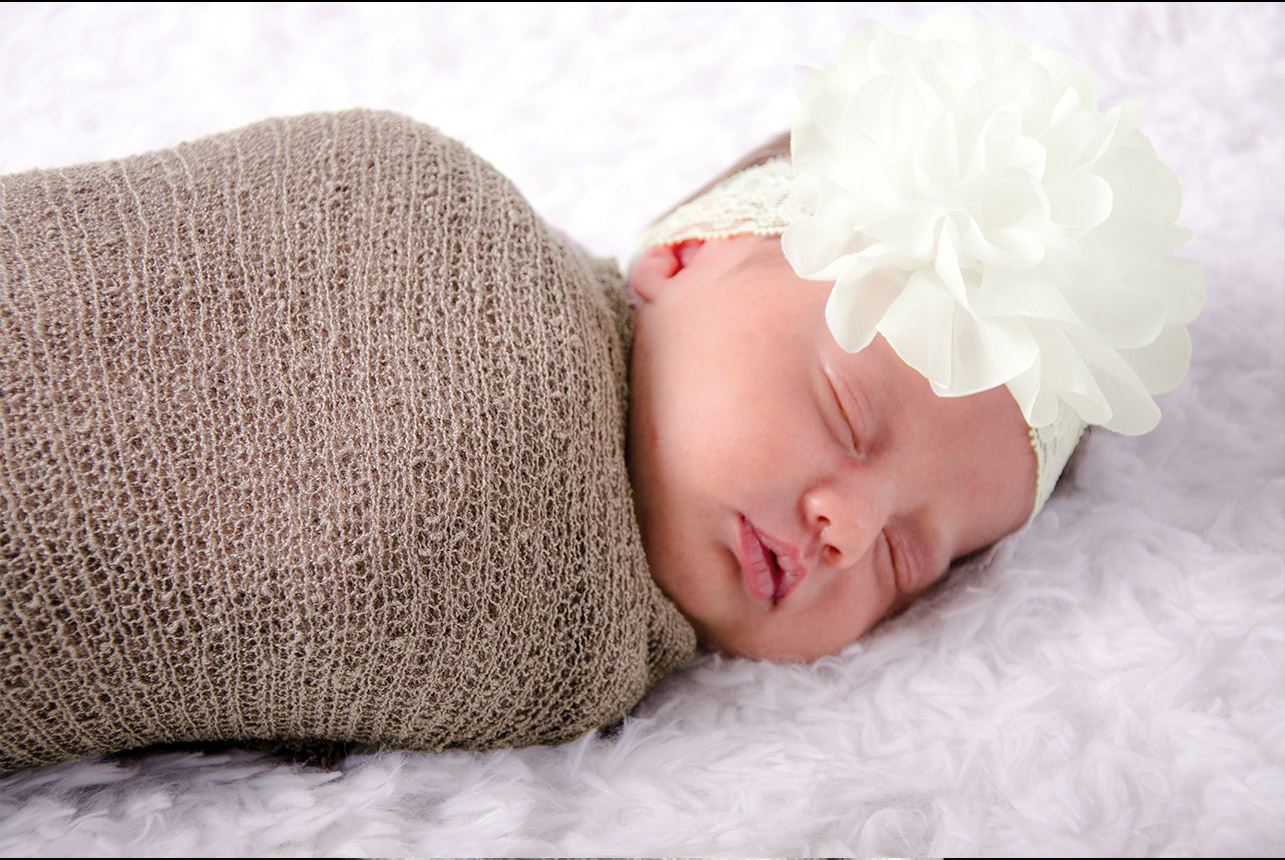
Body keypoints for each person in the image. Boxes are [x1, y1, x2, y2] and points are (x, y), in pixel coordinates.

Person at [0, 15, 1204, 770]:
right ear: (682, 257)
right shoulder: (413, 213)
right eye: (843, 412)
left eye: (910, 557)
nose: (848, 526)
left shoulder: (580, 655)